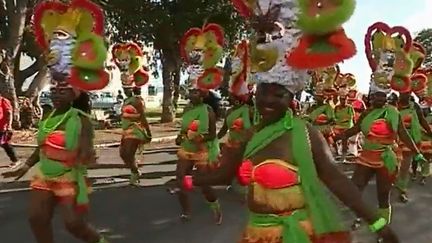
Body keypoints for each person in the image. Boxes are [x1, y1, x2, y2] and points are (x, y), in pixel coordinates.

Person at [180, 1, 399, 241]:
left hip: (296, 234)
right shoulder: (249, 135)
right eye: (264, 91)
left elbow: (337, 181)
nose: (268, 100)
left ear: (292, 98)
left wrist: (378, 223)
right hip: (256, 234)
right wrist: (188, 180)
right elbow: (223, 175)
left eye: (279, 94)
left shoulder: (305, 134)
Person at [1, 1, 111, 242]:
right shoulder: (50, 117)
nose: (56, 91)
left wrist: (85, 155)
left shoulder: (80, 120)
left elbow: (86, 149)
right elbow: (43, 148)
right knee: (36, 219)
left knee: (74, 225)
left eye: (64, 88)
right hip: (44, 177)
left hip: (69, 178)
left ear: (78, 92)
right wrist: (24, 165)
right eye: (55, 87)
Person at [173, 22, 225, 224]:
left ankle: (215, 206)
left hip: (202, 151)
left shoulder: (208, 111)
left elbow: (212, 135)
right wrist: (180, 137)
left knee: (204, 184)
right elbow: (183, 129)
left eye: (195, 91)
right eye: (190, 91)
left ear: (203, 94)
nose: (191, 94)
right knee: (180, 180)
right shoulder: (186, 109)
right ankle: (186, 211)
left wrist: (199, 138)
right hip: (186, 149)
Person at [112, 41, 151, 186]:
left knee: (127, 153)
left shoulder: (136, 101)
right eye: (124, 87)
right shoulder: (126, 101)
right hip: (126, 131)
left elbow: (143, 117)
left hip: (137, 131)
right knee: (124, 155)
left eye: (127, 87)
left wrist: (148, 132)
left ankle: (135, 173)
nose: (125, 90)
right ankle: (135, 171)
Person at [395, 92, 432, 202]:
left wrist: (429, 131)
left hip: (410, 141)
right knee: (394, 166)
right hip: (394, 140)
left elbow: (422, 120)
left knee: (405, 167)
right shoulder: (392, 105)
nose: (405, 94)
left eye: (408, 92)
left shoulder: (414, 106)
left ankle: (402, 191)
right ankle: (396, 182)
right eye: (403, 92)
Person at [333, 89, 355, 162]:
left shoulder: (349, 107)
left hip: (347, 127)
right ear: (340, 99)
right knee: (333, 139)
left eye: (345, 99)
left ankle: (343, 156)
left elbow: (350, 117)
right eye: (342, 99)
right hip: (337, 127)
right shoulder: (336, 108)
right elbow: (334, 117)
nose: (343, 101)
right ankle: (337, 153)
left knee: (344, 139)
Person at [0, 93, 19, 167]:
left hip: (2, 127)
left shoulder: (3, 101)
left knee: (5, 144)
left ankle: (15, 160)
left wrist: (9, 125)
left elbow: (9, 113)